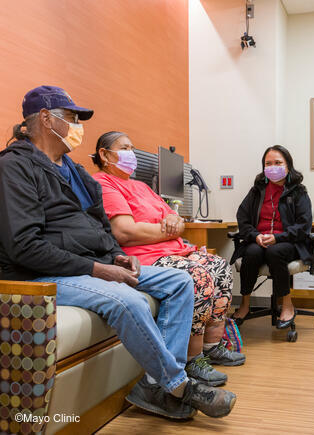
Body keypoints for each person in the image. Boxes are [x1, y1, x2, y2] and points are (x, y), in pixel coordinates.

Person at [0, 85, 236, 420]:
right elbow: (23, 246)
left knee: (180, 281)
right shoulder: (14, 167)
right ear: (44, 119)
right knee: (128, 299)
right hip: (38, 274)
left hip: (91, 263)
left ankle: (155, 386)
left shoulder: (76, 172)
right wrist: (98, 269)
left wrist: (116, 256)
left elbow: (99, 226)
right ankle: (179, 386)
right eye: (71, 117)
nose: (77, 126)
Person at [91, 131, 245, 387]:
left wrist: (174, 222)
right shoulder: (104, 183)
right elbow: (125, 232)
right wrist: (167, 229)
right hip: (143, 258)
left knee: (219, 266)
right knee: (199, 275)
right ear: (105, 155)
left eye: (132, 147)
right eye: (125, 148)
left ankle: (212, 346)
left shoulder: (141, 186)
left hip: (173, 250)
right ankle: (191, 360)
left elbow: (177, 221)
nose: (132, 154)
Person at [231, 145, 313, 328]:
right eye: (268, 164)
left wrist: (278, 238)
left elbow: (304, 225)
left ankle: (287, 304)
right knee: (251, 253)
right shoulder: (257, 191)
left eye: (278, 163)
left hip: (288, 243)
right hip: (259, 240)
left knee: (275, 252)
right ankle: (245, 304)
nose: (272, 167)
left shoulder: (298, 192)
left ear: (288, 166)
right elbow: (242, 218)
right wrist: (255, 236)